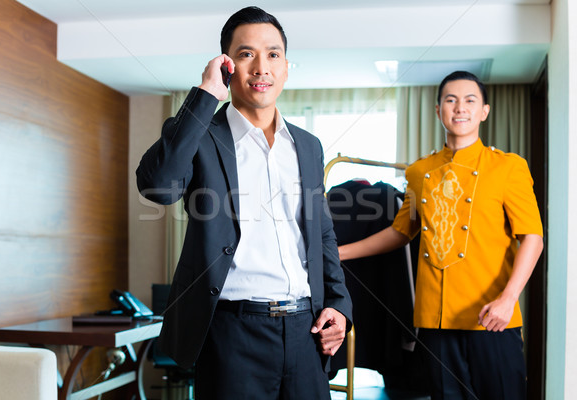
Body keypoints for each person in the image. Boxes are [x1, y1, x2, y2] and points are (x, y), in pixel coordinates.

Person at [136, 6, 352, 400]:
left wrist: (339, 304)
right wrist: (205, 96)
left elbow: (321, 232)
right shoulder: (199, 134)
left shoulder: (308, 145)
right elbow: (157, 187)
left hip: (305, 332)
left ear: (286, 67)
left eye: (273, 54)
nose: (261, 67)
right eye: (246, 53)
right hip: (231, 334)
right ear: (227, 66)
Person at [338, 70, 543, 399]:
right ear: (438, 110)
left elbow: (532, 236)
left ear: (484, 111)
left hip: (492, 317)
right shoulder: (419, 172)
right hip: (435, 323)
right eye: (451, 100)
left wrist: (509, 299)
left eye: (469, 100)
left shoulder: (509, 167)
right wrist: (340, 253)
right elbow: (401, 232)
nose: (459, 107)